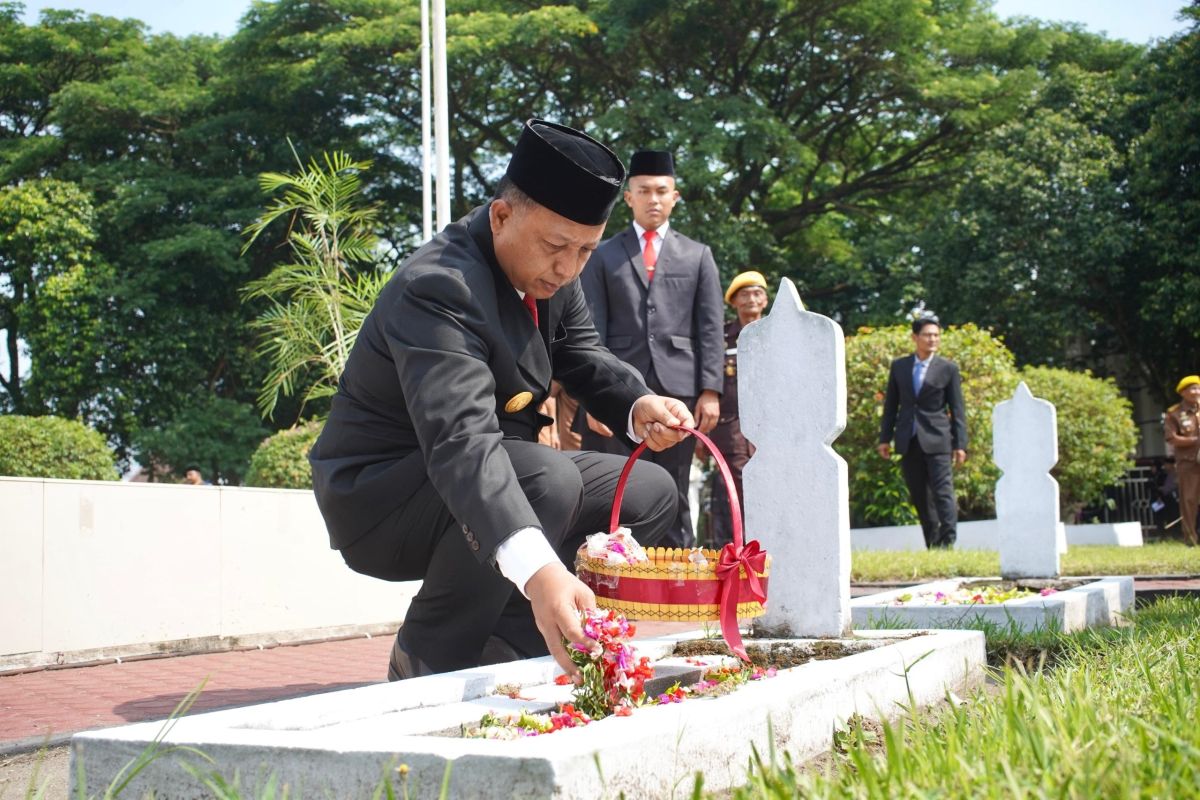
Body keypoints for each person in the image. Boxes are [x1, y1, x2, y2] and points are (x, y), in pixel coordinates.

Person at [308, 119, 693, 683]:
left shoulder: (556, 273)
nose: (568, 269)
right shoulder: (438, 287)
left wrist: (640, 404)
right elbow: (461, 442)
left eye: (586, 251)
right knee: (546, 480)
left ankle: (510, 643)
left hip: (492, 474)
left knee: (651, 493)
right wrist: (543, 573)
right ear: (501, 216)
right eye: (556, 246)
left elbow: (583, 355)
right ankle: (428, 655)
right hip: (384, 497)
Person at [578, 149, 724, 548]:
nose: (653, 199)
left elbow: (710, 327)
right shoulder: (602, 254)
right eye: (644, 191)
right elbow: (590, 328)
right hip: (617, 391)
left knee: (677, 488)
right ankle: (618, 577)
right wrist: (594, 398)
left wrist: (710, 390)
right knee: (617, 487)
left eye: (662, 191)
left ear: (675, 196)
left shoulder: (698, 256)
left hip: (681, 389)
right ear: (628, 197)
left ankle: (678, 583)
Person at [877, 315, 968, 549]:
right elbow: (891, 406)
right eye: (927, 335)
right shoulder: (900, 366)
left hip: (938, 440)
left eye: (936, 335)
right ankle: (932, 543)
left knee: (943, 492)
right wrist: (884, 438)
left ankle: (948, 543)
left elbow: (957, 409)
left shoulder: (948, 368)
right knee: (919, 495)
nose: (932, 339)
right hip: (909, 439)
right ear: (915, 337)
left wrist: (960, 444)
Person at [706, 270, 769, 547]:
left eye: (757, 293)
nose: (751, 299)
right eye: (744, 294)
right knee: (735, 484)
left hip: (770, 424)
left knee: (769, 480)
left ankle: (766, 541)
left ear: (765, 300)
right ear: (733, 301)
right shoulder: (721, 338)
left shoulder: (776, 334)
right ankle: (739, 549)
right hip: (730, 425)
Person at [1164, 375, 1200, 547]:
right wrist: (1195, 441)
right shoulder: (1175, 413)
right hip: (1189, 462)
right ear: (1183, 392)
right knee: (1189, 500)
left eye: (1198, 388)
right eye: (1192, 388)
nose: (1196, 392)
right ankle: (1191, 539)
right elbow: (1171, 438)